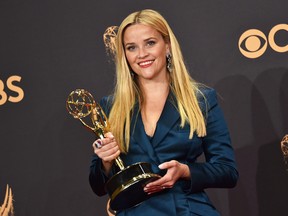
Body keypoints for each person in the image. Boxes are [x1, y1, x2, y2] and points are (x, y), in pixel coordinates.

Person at [89, 9, 238, 216]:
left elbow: (227, 171)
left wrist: (185, 171)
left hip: (187, 209)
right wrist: (105, 163)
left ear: (167, 46)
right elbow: (98, 187)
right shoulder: (111, 106)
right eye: (132, 47)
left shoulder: (200, 99)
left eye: (150, 43)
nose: (142, 54)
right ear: (124, 55)